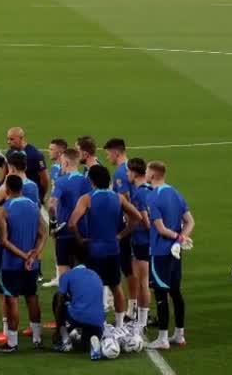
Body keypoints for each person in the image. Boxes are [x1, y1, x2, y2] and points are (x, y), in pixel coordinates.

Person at [68, 164, 144, 336]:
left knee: (95, 288)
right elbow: (137, 217)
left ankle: (98, 324)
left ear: (91, 180)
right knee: (116, 286)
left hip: (94, 250)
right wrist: (121, 235)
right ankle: (119, 325)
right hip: (113, 248)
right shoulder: (118, 198)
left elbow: (72, 223)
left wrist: (80, 239)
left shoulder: (87, 198)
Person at [145, 161, 194, 350]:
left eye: (148, 171)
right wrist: (181, 240)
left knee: (160, 293)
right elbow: (190, 222)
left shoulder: (152, 197)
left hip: (159, 252)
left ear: (154, 175)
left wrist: (177, 238)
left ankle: (163, 338)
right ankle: (179, 335)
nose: (146, 174)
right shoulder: (175, 193)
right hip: (175, 253)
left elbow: (160, 228)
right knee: (175, 292)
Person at [0, 175, 45, 352]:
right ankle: (38, 338)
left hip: (12, 264)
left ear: (7, 190)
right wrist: (34, 255)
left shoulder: (4, 210)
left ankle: (12, 342)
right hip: (32, 264)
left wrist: (24, 256)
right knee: (32, 298)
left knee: (12, 301)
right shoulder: (34, 206)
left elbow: (3, 241)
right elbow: (43, 233)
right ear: (22, 189)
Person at [104, 138, 137, 324]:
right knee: (131, 267)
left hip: (128, 227)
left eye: (108, 153)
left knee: (129, 267)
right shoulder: (130, 167)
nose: (107, 156)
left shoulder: (120, 171)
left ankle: (134, 308)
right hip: (134, 225)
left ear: (116, 152)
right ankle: (136, 308)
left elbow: (125, 201)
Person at [54, 250, 109, 360]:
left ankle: (65, 340)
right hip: (98, 321)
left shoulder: (67, 275)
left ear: (74, 258)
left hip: (78, 317)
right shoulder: (95, 274)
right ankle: (94, 341)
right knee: (84, 344)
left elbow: (60, 301)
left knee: (57, 299)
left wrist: (57, 331)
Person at [49, 148, 91, 282]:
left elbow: (51, 204)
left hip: (64, 232)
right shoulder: (86, 181)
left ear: (66, 162)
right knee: (83, 272)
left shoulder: (61, 181)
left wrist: (53, 223)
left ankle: (66, 301)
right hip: (83, 232)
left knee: (64, 273)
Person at [126, 158, 155, 333]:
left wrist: (130, 222)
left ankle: (142, 322)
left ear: (135, 173)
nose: (127, 175)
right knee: (143, 281)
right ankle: (140, 318)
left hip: (142, 242)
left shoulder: (139, 193)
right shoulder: (152, 189)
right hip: (148, 242)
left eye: (129, 172)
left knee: (143, 282)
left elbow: (145, 221)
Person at [41, 138, 68, 288]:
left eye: (51, 149)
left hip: (64, 212)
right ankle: (59, 276)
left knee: (66, 245)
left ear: (59, 152)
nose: (48, 152)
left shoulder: (65, 169)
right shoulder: (54, 168)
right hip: (55, 211)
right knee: (56, 241)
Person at [3, 126, 48, 196]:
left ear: (22, 138)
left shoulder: (35, 155)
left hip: (31, 193)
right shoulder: (10, 152)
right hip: (15, 193)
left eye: (12, 139)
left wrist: (42, 195)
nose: (8, 142)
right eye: (8, 139)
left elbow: (44, 179)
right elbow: (6, 173)